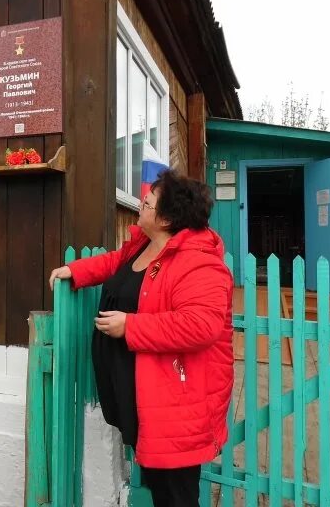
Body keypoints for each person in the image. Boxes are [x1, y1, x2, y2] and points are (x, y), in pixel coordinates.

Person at [48, 170, 233, 507]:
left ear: (165, 219)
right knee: (161, 490)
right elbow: (115, 264)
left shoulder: (198, 263)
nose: (140, 206)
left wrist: (131, 327)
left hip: (177, 407)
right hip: (144, 398)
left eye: (147, 203)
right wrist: (76, 271)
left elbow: (201, 325)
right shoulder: (146, 246)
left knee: (175, 495)